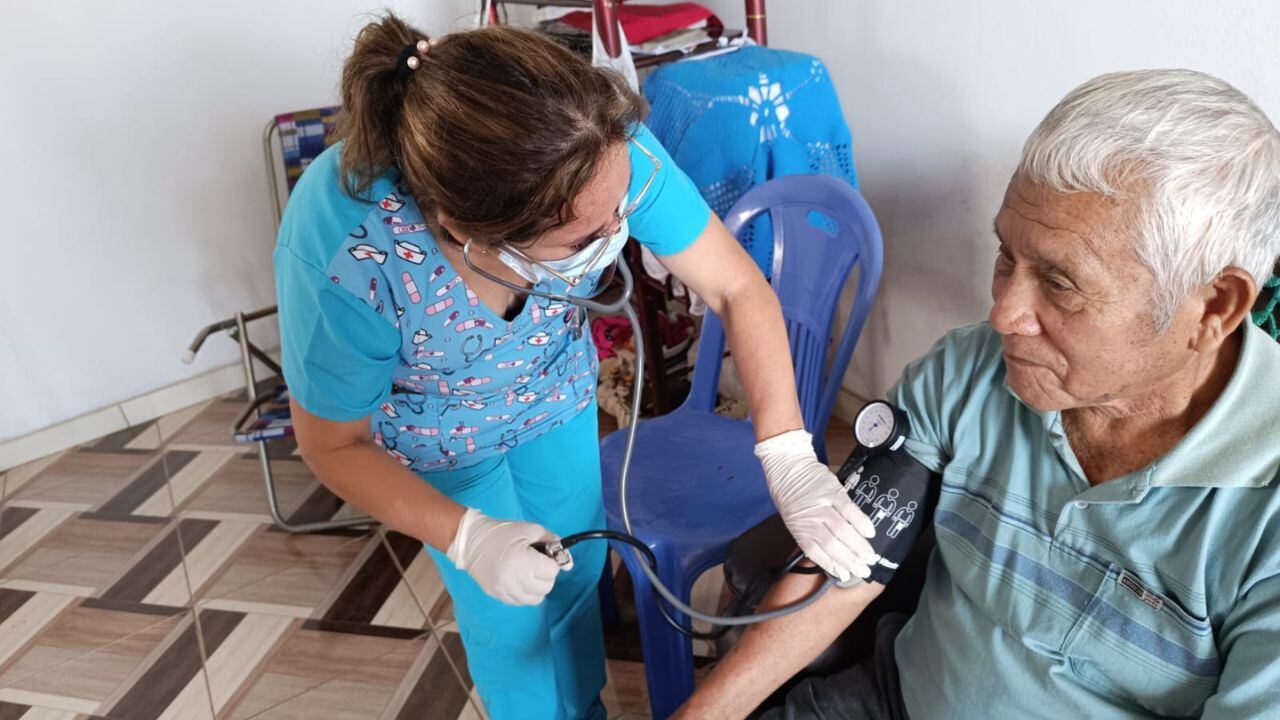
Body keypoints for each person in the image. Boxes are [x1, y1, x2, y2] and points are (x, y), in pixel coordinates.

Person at [275, 14, 879, 720]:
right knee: (510, 623)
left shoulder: (597, 144)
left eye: (619, 211)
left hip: (552, 396)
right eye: (587, 237)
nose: (618, 235)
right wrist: (464, 535)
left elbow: (737, 287)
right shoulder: (350, 258)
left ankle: (584, 704)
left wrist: (787, 454)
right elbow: (331, 444)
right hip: (439, 444)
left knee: (574, 576)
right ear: (471, 234)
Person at [676, 69, 1280, 720]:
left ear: (1213, 307)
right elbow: (845, 572)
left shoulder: (1262, 515)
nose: (1003, 315)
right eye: (1006, 259)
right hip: (893, 697)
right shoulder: (970, 371)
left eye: (1059, 283)